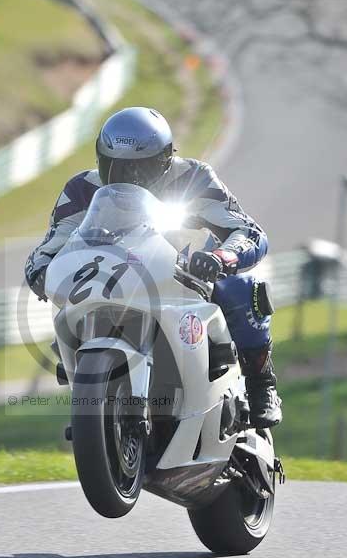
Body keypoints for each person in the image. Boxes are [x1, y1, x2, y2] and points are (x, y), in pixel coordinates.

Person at [25, 107, 282, 428]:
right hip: (110, 282)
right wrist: (39, 268)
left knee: (243, 289)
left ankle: (262, 385)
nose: (125, 178)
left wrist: (222, 257)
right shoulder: (81, 190)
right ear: (100, 160)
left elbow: (248, 231)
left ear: (164, 161)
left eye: (138, 169)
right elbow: (54, 242)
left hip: (183, 278)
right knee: (64, 306)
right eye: (114, 166)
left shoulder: (194, 178)